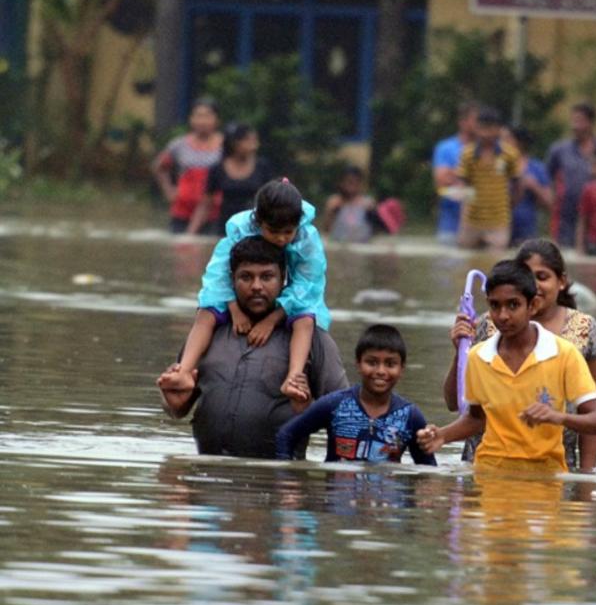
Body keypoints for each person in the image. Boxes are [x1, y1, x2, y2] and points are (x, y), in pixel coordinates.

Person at [156, 237, 348, 458]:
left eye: (267, 277)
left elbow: (345, 415)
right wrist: (175, 403)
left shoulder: (311, 339)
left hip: (279, 483)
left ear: (283, 280)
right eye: (246, 277)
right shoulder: (206, 334)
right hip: (205, 481)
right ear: (231, 280)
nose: (257, 286)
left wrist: (306, 410)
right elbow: (178, 408)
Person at [419, 260, 596, 473]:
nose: (503, 316)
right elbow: (476, 419)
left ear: (532, 306)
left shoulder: (564, 354)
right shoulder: (478, 355)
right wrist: (442, 436)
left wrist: (559, 417)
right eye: (495, 305)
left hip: (545, 479)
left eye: (513, 305)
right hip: (488, 476)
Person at [171, 179, 330, 410]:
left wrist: (271, 319)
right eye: (274, 232)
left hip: (294, 296)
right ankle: (184, 370)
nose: (282, 239)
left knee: (305, 318)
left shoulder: (306, 238)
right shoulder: (240, 228)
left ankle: (294, 377)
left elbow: (308, 283)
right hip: (236, 295)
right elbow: (219, 274)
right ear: (258, 222)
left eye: (288, 232)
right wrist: (235, 310)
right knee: (206, 311)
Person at [275, 324, 437, 464]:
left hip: (388, 499)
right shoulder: (335, 405)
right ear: (358, 364)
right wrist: (288, 483)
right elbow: (286, 435)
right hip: (338, 498)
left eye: (390, 364)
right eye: (371, 362)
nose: (380, 371)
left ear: (401, 369)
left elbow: (427, 468)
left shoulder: (410, 416)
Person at [455, 106, 523, 250]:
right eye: (481, 128)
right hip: (472, 220)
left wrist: (509, 206)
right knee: (468, 263)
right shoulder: (467, 154)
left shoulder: (509, 154)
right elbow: (463, 183)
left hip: (499, 221)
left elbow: (517, 184)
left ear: (498, 129)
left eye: (490, 129)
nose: (485, 134)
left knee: (496, 263)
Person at [152, 97, 223, 233]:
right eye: (198, 116)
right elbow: (159, 167)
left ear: (217, 120)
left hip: (215, 212)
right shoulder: (179, 145)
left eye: (207, 116)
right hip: (182, 211)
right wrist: (169, 191)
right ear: (191, 119)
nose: (202, 121)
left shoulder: (226, 146)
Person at [188, 122, 273, 236]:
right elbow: (205, 204)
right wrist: (189, 234)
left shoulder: (263, 166)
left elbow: (271, 201)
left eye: (254, 139)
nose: (254, 144)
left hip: (255, 227)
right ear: (234, 143)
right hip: (226, 228)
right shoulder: (217, 169)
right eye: (248, 140)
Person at [546, 103, 596, 246]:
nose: (575, 126)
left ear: (591, 123)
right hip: (566, 216)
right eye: (573, 121)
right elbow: (548, 178)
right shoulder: (559, 150)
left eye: (580, 121)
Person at [432, 101, 478, 245]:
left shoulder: (487, 150)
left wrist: (456, 175)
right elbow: (441, 180)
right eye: (476, 120)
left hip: (480, 226)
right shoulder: (446, 148)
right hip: (450, 225)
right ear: (463, 122)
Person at [508, 126, 554, 246]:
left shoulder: (536, 168)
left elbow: (549, 202)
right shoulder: (499, 165)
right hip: (500, 229)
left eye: (508, 139)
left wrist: (534, 186)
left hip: (527, 231)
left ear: (520, 143)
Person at [321, 165, 377, 243]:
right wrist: (332, 212)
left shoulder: (367, 203)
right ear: (341, 183)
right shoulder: (334, 202)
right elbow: (326, 229)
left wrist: (371, 213)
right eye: (349, 182)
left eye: (355, 182)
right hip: (338, 244)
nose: (351, 186)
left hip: (361, 246)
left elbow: (375, 231)